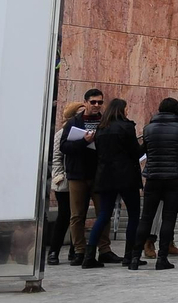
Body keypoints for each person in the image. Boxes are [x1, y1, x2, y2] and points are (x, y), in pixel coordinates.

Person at [81, 98, 142, 270]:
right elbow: (135, 152)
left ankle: (89, 255)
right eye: (127, 108)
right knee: (133, 214)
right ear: (122, 110)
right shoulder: (126, 127)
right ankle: (129, 256)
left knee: (103, 214)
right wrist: (146, 145)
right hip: (126, 177)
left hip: (105, 177)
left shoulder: (101, 128)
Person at [59, 89, 115, 265]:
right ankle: (79, 251)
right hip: (78, 173)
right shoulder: (74, 122)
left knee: (103, 213)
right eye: (93, 102)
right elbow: (64, 147)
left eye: (99, 102)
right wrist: (84, 142)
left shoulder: (106, 122)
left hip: (99, 174)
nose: (97, 105)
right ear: (86, 103)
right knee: (77, 215)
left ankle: (104, 249)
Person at [140, 96, 178, 270]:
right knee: (168, 218)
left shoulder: (148, 128)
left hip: (153, 177)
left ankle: (133, 257)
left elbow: (145, 150)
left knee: (146, 217)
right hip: (174, 177)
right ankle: (161, 257)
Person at [46, 100, 83, 266]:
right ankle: (53, 251)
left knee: (77, 216)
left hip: (79, 178)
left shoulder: (85, 131)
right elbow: (56, 157)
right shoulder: (62, 133)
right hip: (64, 181)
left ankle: (75, 250)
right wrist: (59, 175)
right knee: (64, 215)